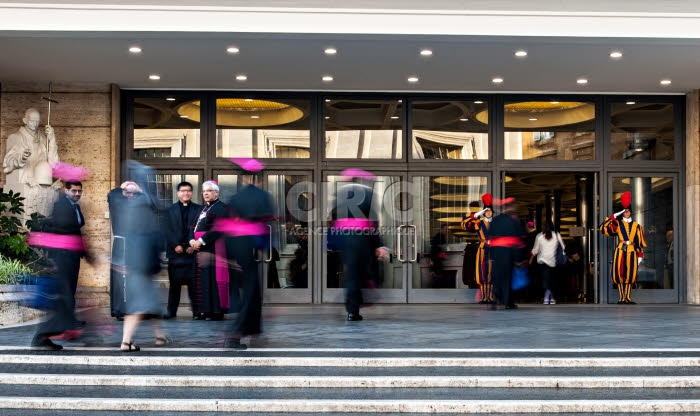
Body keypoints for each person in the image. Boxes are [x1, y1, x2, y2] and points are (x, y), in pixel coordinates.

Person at [220, 158, 275, 349]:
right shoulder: (263, 196)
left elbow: (227, 227)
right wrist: (267, 247)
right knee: (251, 293)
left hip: (236, 249)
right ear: (259, 178)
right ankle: (234, 335)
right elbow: (267, 223)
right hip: (250, 247)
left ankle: (254, 332)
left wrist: (229, 257)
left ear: (243, 179)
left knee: (251, 293)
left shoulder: (235, 198)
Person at [29, 179, 88, 350]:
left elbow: (76, 228)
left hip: (71, 255)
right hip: (62, 256)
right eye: (74, 191)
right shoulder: (62, 205)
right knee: (64, 297)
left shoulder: (74, 206)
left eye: (79, 191)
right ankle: (45, 334)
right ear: (65, 190)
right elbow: (64, 230)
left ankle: (61, 328)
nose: (77, 194)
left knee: (67, 294)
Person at [117, 168, 170, 352]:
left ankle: (160, 336)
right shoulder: (144, 204)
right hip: (143, 264)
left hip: (136, 263)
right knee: (139, 305)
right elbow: (150, 236)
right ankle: (126, 341)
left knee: (151, 302)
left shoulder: (132, 207)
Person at [331, 169, 389, 321]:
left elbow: (333, 217)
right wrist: (378, 245)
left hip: (344, 238)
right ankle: (358, 303)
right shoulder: (369, 194)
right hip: (361, 238)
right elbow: (373, 221)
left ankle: (352, 309)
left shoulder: (339, 194)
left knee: (352, 273)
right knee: (363, 272)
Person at [3, 108, 61, 217]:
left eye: (37, 121)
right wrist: (22, 157)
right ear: (25, 120)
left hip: (42, 185)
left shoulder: (44, 138)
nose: (35, 124)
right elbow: (9, 161)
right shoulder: (15, 137)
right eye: (32, 121)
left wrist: (52, 139)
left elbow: (54, 162)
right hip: (25, 182)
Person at [599, 191, 647, 304]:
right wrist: (615, 215)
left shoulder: (637, 226)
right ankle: (621, 298)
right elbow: (603, 227)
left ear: (631, 212)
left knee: (630, 275)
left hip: (632, 251)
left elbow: (639, 242)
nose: (626, 213)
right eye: (625, 212)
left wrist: (640, 256)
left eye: (628, 211)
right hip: (620, 251)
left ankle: (628, 297)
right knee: (620, 274)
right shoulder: (618, 224)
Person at [189, 180, 228, 320]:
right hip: (198, 249)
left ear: (216, 192)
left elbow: (218, 229)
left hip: (213, 248)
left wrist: (201, 240)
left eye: (209, 191)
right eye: (204, 191)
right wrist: (191, 240)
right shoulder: (202, 209)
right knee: (200, 281)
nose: (206, 193)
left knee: (211, 280)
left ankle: (214, 311)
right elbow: (191, 227)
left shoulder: (222, 208)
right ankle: (202, 310)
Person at [162, 181, 201, 319]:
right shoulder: (169, 210)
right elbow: (166, 230)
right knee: (174, 284)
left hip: (193, 252)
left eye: (189, 190)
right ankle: (171, 312)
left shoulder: (199, 209)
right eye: (183, 191)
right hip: (176, 252)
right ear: (178, 193)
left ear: (192, 192)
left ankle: (197, 312)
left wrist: (193, 246)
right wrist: (175, 245)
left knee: (194, 285)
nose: (186, 193)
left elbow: (200, 230)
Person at [107, 181, 141, 320]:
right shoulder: (117, 203)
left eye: (134, 193)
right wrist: (124, 186)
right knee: (121, 278)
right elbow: (112, 194)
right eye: (128, 193)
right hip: (122, 243)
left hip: (135, 244)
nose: (131, 195)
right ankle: (120, 309)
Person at [487, 197, 524, 310]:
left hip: (497, 252)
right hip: (509, 252)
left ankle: (495, 299)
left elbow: (490, 239)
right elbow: (517, 240)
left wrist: (491, 256)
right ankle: (508, 302)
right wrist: (518, 259)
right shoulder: (514, 220)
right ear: (511, 207)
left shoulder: (495, 220)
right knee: (507, 278)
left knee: (497, 277)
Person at [461, 193, 493, 303]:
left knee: (492, 273)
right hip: (483, 249)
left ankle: (491, 296)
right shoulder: (478, 223)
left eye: (490, 211)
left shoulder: (496, 222)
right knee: (483, 273)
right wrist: (478, 213)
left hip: (493, 249)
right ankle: (484, 297)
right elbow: (465, 224)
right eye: (486, 211)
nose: (488, 213)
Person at [529, 220, 564, 305]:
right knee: (552, 281)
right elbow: (563, 247)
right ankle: (551, 298)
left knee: (545, 280)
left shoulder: (539, 236)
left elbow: (535, 249)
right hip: (553, 261)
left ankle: (546, 297)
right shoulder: (556, 235)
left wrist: (531, 259)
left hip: (543, 261)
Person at [429, 223, 450, 288]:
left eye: (447, 229)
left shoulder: (440, 236)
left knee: (437, 276)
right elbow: (435, 248)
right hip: (436, 259)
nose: (447, 231)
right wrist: (432, 259)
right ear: (441, 229)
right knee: (438, 276)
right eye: (445, 229)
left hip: (436, 259)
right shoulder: (440, 237)